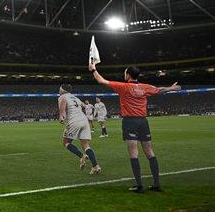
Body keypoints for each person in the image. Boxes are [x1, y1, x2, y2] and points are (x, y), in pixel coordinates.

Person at [89, 63, 181, 192]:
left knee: (133, 152)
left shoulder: (123, 87)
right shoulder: (145, 87)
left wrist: (93, 69)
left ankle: (139, 185)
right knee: (149, 152)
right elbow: (160, 90)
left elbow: (101, 80)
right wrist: (171, 88)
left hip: (130, 122)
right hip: (143, 122)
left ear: (127, 75)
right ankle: (156, 184)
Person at [58, 84, 101, 175]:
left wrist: (61, 116)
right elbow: (83, 105)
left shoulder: (62, 97)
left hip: (74, 122)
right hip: (84, 121)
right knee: (85, 144)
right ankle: (95, 166)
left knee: (66, 142)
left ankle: (82, 156)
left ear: (63, 90)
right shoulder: (76, 98)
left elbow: (63, 105)